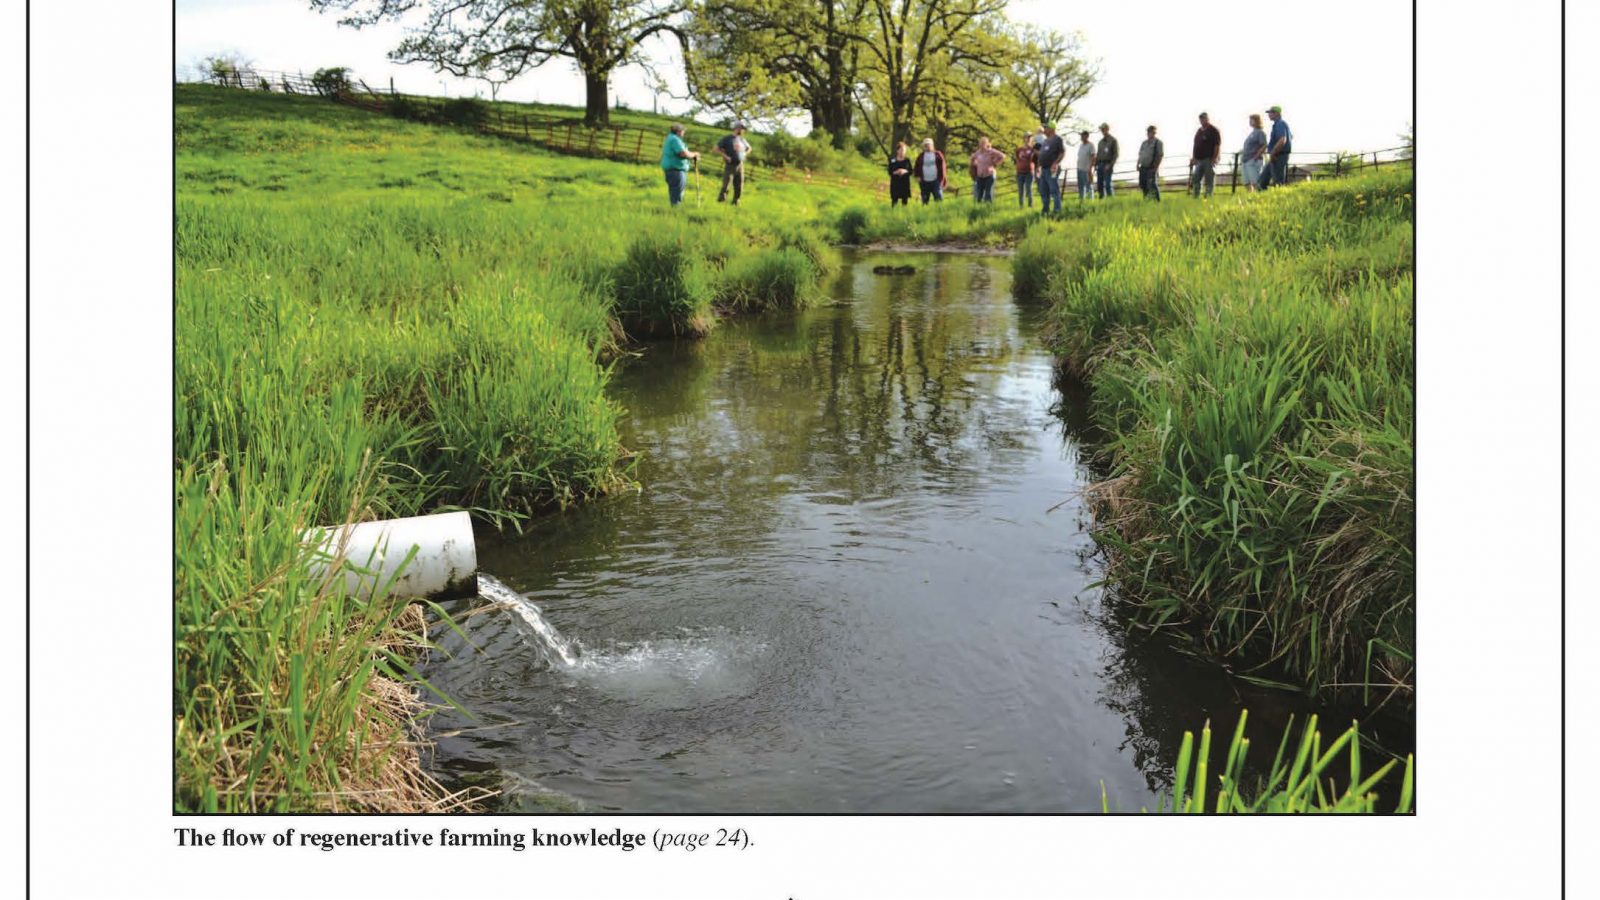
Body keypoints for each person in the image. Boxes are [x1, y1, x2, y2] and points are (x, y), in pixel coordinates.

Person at [659, 123, 699, 206]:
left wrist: (691, 155)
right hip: (675, 170)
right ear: (678, 131)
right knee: (676, 193)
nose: (684, 132)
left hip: (674, 169)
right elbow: (682, 153)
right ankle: (675, 211)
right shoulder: (674, 140)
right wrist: (694, 155)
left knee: (676, 192)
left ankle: (675, 209)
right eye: (683, 131)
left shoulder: (672, 138)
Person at [714, 121, 751, 205]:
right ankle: (721, 201)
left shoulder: (742, 139)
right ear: (737, 128)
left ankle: (736, 202)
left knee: (739, 184)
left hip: (740, 165)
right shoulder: (727, 138)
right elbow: (716, 149)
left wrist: (745, 154)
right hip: (730, 165)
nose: (743, 131)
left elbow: (749, 148)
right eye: (742, 129)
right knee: (726, 184)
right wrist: (725, 156)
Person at [1034, 122, 1067, 214]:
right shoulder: (1046, 141)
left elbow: (1062, 152)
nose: (1045, 129)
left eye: (1046, 128)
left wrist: (1055, 163)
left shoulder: (1057, 139)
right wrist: (1038, 166)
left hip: (1052, 168)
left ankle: (1057, 210)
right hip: (1043, 169)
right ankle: (1045, 210)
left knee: (1053, 189)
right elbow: (1042, 155)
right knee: (1043, 190)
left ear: (1052, 129)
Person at [1260, 105, 1293, 189]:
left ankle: (1280, 199)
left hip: (1278, 155)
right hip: (1278, 154)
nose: (1269, 114)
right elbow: (1290, 137)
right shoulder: (1281, 124)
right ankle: (1262, 199)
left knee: (1277, 182)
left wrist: (1273, 153)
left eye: (1271, 112)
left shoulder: (1279, 124)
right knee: (1262, 180)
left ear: (1277, 113)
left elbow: (1282, 139)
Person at [1190, 112, 1221, 198]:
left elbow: (1217, 145)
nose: (1202, 120)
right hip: (1199, 159)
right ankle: (1195, 196)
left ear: (1207, 118)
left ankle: (1208, 196)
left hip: (1209, 158)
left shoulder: (1213, 130)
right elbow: (1195, 145)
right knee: (1196, 179)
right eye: (1201, 119)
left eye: (1204, 118)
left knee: (1209, 179)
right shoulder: (1199, 131)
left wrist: (1214, 158)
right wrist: (1194, 157)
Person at [969, 136, 1006, 203]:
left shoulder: (991, 151)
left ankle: (988, 207)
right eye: (981, 143)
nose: (982, 145)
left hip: (989, 175)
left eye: (983, 143)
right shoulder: (978, 153)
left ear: (987, 144)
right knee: (979, 193)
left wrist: (995, 162)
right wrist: (974, 164)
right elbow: (972, 158)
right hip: (980, 175)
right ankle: (978, 208)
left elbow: (1002, 156)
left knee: (988, 192)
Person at [914, 138, 947, 204]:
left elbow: (943, 167)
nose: (927, 147)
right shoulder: (921, 156)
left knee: (938, 198)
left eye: (928, 145)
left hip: (936, 181)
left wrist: (942, 180)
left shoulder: (938, 154)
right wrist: (917, 176)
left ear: (932, 145)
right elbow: (916, 167)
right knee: (925, 200)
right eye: (925, 145)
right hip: (924, 182)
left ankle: (940, 212)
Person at [1240, 113, 1267, 192]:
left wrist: (1256, 156)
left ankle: (1260, 197)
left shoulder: (1260, 132)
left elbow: (1264, 145)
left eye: (1252, 120)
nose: (1250, 121)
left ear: (1257, 121)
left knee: (1255, 182)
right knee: (1246, 182)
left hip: (1253, 161)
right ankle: (1251, 198)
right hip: (1245, 160)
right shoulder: (1252, 133)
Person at [1137, 125, 1164, 201]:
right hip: (1143, 167)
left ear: (1155, 133)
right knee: (1143, 184)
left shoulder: (1158, 143)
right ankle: (1146, 200)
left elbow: (1160, 156)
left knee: (1152, 185)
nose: (1151, 133)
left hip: (1151, 167)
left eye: (1153, 132)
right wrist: (1138, 164)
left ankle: (1157, 201)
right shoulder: (1144, 143)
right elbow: (1140, 154)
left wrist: (1156, 168)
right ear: (1147, 133)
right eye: (1149, 132)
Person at [1095, 123, 1119, 198]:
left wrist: (1110, 164)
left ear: (1107, 129)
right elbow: (1098, 154)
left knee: (1108, 184)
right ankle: (1101, 201)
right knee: (1099, 184)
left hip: (1108, 164)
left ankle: (1111, 201)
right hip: (1100, 164)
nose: (1102, 131)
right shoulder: (1100, 142)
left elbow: (1116, 154)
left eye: (1104, 129)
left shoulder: (1113, 140)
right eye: (1101, 129)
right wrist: (1096, 164)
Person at [1014, 133, 1037, 207]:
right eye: (1027, 137)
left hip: (1029, 172)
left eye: (1030, 137)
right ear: (1024, 138)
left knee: (1029, 189)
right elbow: (1017, 159)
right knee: (1020, 190)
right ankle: (1021, 205)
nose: (1028, 139)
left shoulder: (1033, 149)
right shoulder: (1019, 149)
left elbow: (1036, 159)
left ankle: (1030, 205)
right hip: (1020, 172)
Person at [887, 141, 913, 207]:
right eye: (901, 150)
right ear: (897, 151)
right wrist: (896, 172)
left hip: (905, 183)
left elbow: (911, 171)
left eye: (904, 150)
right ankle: (893, 213)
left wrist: (905, 171)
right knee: (894, 200)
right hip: (895, 183)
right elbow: (889, 171)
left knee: (904, 200)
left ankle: (903, 214)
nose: (903, 152)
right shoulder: (893, 160)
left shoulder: (907, 160)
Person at [1075, 130, 1096, 201]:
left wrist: (1090, 168)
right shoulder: (1081, 145)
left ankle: (1091, 201)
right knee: (1081, 187)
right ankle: (1082, 201)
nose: (1081, 137)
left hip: (1087, 169)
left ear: (1086, 136)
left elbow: (1093, 157)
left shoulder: (1091, 145)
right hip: (1079, 169)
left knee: (1089, 186)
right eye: (1081, 136)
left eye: (1082, 136)